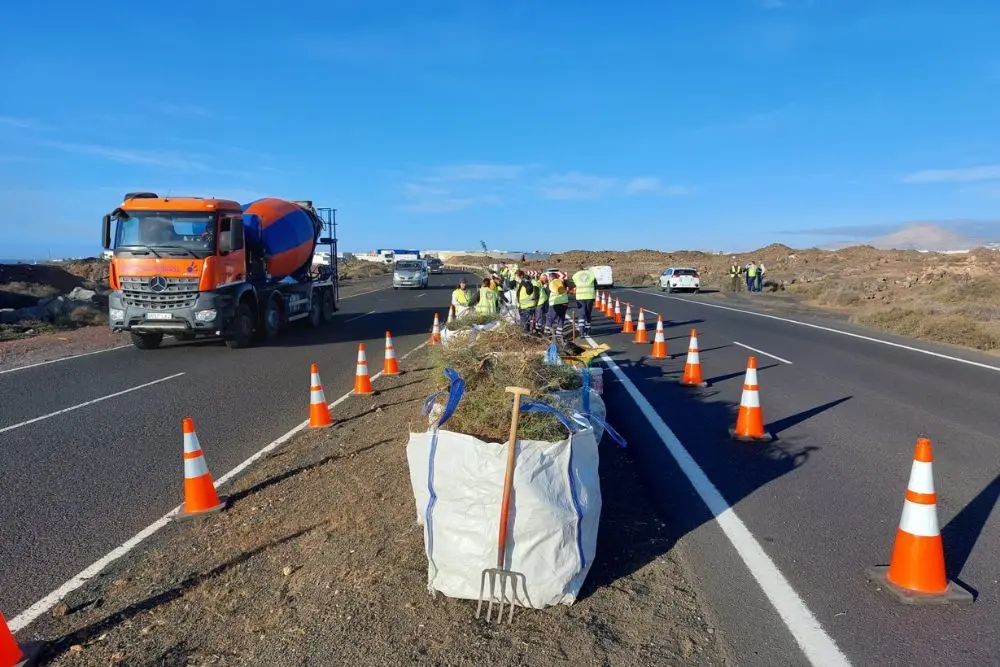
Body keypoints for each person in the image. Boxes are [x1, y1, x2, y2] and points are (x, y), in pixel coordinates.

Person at [571, 264, 597, 335]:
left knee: (581, 314)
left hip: (580, 297)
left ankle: (581, 331)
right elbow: (596, 285)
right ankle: (588, 328)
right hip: (589, 296)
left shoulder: (575, 275)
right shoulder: (591, 274)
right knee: (588, 313)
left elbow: (572, 285)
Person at [545, 272, 570, 344]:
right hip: (564, 303)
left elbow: (547, 293)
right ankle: (559, 335)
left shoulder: (551, 284)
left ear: (550, 277)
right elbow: (570, 285)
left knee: (550, 319)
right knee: (561, 318)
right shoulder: (561, 281)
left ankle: (546, 334)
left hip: (555, 304)